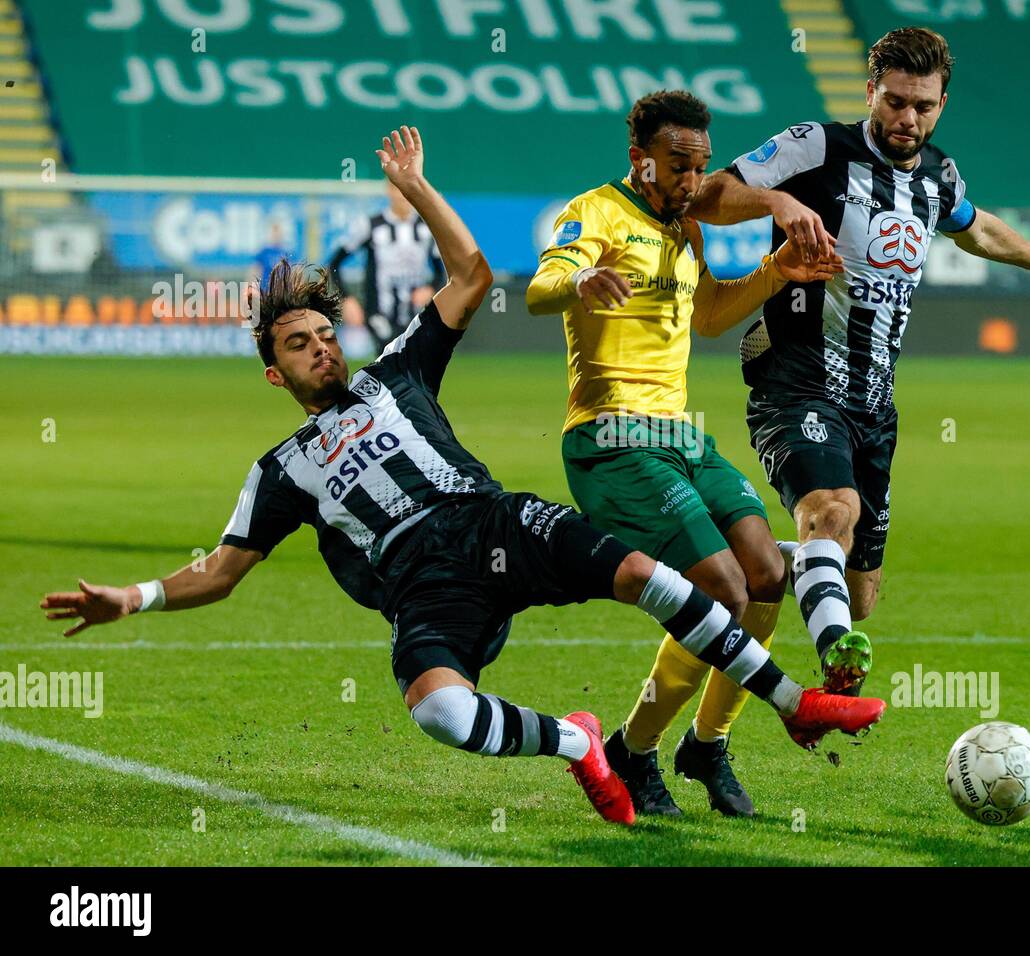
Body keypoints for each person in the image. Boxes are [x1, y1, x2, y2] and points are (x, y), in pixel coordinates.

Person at [40, 126, 885, 827]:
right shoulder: (280, 471)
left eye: (322, 335)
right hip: (422, 587)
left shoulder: (397, 371)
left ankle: (791, 704)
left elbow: (472, 275)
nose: (319, 347)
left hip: (494, 524)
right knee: (439, 712)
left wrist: (415, 188)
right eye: (298, 345)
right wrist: (134, 598)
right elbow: (220, 570)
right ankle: (579, 743)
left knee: (653, 577)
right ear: (276, 375)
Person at [687, 28, 1030, 707]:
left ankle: (749, 556)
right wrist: (778, 201)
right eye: (896, 102)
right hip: (798, 380)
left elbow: (976, 226)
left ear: (942, 104)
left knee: (859, 593)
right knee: (833, 510)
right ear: (871, 90)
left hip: (875, 405)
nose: (908, 119)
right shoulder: (813, 147)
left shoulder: (938, 175)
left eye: (924, 106)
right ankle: (836, 673)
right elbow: (708, 195)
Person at [526, 91, 844, 818]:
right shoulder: (596, 212)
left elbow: (706, 320)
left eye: (700, 167)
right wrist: (579, 279)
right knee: (724, 591)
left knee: (766, 575)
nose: (691, 183)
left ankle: (706, 746)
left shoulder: (688, 230)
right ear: (641, 160)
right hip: (610, 438)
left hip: (679, 435)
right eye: (678, 167)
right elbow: (541, 286)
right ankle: (633, 753)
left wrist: (775, 276)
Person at [328, 179, 445, 349]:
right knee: (390, 359)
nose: (404, 196)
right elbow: (334, 264)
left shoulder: (426, 229)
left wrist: (431, 288)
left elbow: (441, 271)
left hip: (415, 313)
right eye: (399, 190)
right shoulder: (371, 226)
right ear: (389, 190)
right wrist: (347, 299)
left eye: (409, 190)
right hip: (379, 314)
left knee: (413, 367)